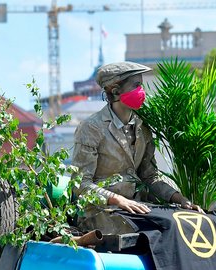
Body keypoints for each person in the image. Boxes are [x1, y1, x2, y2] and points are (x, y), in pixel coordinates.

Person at [71, 61, 201, 233]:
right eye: (136, 86)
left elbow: (150, 177)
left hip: (137, 209)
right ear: (115, 91)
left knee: (180, 225)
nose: (142, 92)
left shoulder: (143, 127)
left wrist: (179, 198)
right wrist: (116, 199)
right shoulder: (91, 128)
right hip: (101, 214)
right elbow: (81, 185)